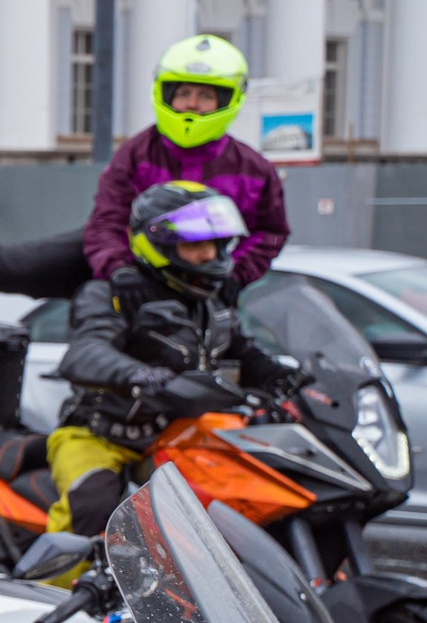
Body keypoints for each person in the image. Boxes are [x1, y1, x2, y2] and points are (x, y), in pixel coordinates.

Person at [46, 181, 291, 539]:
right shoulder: (111, 294)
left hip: (182, 440)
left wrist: (294, 381)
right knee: (91, 507)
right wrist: (141, 375)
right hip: (100, 437)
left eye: (214, 243)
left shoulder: (211, 302)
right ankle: (53, 592)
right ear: (157, 244)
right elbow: (84, 352)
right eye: (195, 245)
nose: (209, 255)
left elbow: (248, 355)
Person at [83, 35, 287, 290]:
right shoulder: (135, 154)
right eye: (183, 93)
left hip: (212, 292)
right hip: (140, 287)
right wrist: (121, 271)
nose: (192, 104)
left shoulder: (254, 169)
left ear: (226, 101)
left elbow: (271, 233)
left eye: (204, 95)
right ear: (166, 95)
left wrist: (232, 277)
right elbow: (106, 222)